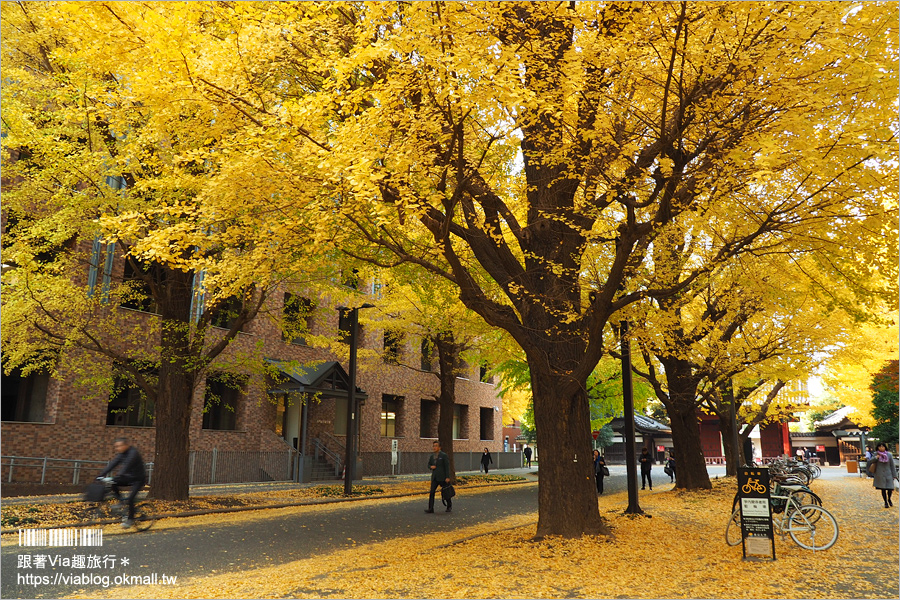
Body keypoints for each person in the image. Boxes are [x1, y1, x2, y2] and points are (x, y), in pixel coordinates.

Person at [98, 437, 146, 528]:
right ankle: (121, 502)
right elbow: (113, 463)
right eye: (116, 446)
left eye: (119, 446)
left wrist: (117, 476)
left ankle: (130, 520)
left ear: (126, 445)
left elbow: (127, 466)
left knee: (130, 499)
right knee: (113, 483)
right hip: (128, 477)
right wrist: (101, 475)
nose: (118, 448)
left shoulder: (133, 453)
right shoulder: (122, 454)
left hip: (138, 479)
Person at [426, 441, 452, 513]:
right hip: (435, 477)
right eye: (433, 446)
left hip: (442, 477)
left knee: (445, 492)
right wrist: (431, 467)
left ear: (439, 447)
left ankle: (449, 505)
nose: (434, 447)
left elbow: (447, 466)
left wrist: (447, 477)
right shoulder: (432, 456)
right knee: (432, 492)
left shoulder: (443, 455)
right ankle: (431, 508)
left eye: (436, 446)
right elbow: (428, 464)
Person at [871, 442, 898, 508]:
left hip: (888, 473)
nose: (881, 448)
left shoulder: (889, 455)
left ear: (885, 447)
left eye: (883, 447)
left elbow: (892, 465)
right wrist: (876, 457)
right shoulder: (876, 454)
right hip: (880, 474)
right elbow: (871, 461)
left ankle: (889, 499)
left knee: (890, 488)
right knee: (883, 489)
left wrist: (894, 475)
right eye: (880, 447)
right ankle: (885, 502)